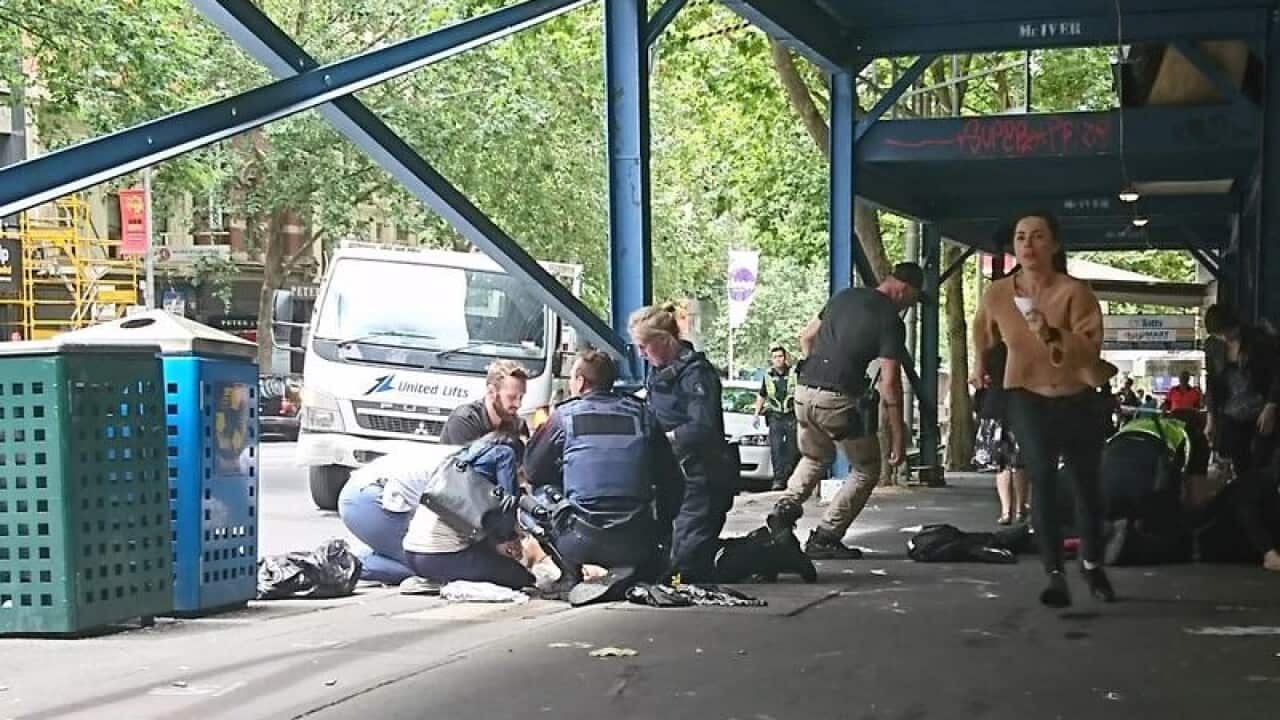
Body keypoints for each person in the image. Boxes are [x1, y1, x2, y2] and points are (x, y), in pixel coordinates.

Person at [972, 211, 1117, 607]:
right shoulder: (998, 294)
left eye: (1038, 237)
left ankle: (1091, 563)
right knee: (1042, 477)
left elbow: (1089, 348)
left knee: (1086, 486)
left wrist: (1051, 334)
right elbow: (982, 329)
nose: (1028, 245)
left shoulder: (1075, 292)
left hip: (1076, 397)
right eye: (1021, 237)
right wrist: (979, 365)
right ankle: (1054, 573)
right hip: (1026, 395)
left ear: (1054, 245)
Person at [766, 263, 926, 559]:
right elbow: (890, 383)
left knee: (815, 457)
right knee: (866, 469)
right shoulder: (890, 320)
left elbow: (806, 337)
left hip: (804, 390)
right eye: (913, 299)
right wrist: (898, 437)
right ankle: (826, 536)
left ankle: (783, 511)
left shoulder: (844, 297)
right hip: (838, 399)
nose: (910, 307)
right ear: (904, 290)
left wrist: (819, 370)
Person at [524, 348, 680, 576]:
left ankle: (569, 574)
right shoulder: (642, 415)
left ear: (580, 382)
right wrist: (660, 528)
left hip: (579, 541)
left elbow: (532, 470)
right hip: (638, 541)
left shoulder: (564, 417)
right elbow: (673, 480)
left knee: (533, 497)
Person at [630, 303, 731, 582]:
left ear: (664, 340)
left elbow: (702, 427)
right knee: (660, 559)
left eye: (644, 346)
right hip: (671, 476)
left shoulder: (696, 374)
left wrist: (664, 440)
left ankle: (762, 552)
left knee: (684, 566)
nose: (641, 354)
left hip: (700, 476)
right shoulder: (658, 371)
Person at [1202, 303, 1280, 572]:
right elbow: (1213, 384)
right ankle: (1265, 547)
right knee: (1247, 479)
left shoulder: (1259, 341)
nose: (1226, 337)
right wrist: (1211, 418)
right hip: (1233, 419)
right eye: (1220, 334)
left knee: (1260, 478)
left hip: (1261, 415)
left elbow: (1276, 375)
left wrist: (1271, 406)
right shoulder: (1213, 348)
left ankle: (1266, 546)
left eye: (1229, 331)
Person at [402, 433, 534, 589]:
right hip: (437, 556)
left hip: (410, 553)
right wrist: (509, 537)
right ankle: (442, 579)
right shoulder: (500, 460)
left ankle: (436, 579)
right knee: (519, 576)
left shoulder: (455, 469)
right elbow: (505, 518)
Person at [337, 445, 453, 584]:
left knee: (429, 557)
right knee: (432, 566)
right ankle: (344, 566)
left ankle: (350, 561)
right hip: (370, 498)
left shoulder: (462, 456)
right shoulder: (465, 474)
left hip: (359, 490)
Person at [975, 343, 1029, 526]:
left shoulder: (989, 351)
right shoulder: (1024, 348)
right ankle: (1021, 509)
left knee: (1001, 464)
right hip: (1020, 407)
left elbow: (977, 380)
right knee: (1020, 463)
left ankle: (1006, 511)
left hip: (994, 407)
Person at [439, 359, 528, 445]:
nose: (518, 404)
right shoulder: (463, 421)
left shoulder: (517, 425)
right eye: (511, 397)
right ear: (491, 392)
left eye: (521, 397)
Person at [753, 346, 800, 491]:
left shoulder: (794, 373)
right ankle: (778, 480)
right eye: (775, 357)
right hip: (775, 417)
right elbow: (762, 395)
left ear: (785, 358)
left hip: (792, 416)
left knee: (793, 450)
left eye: (780, 356)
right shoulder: (768, 375)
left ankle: (790, 478)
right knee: (776, 449)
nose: (778, 359)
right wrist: (756, 414)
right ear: (772, 360)